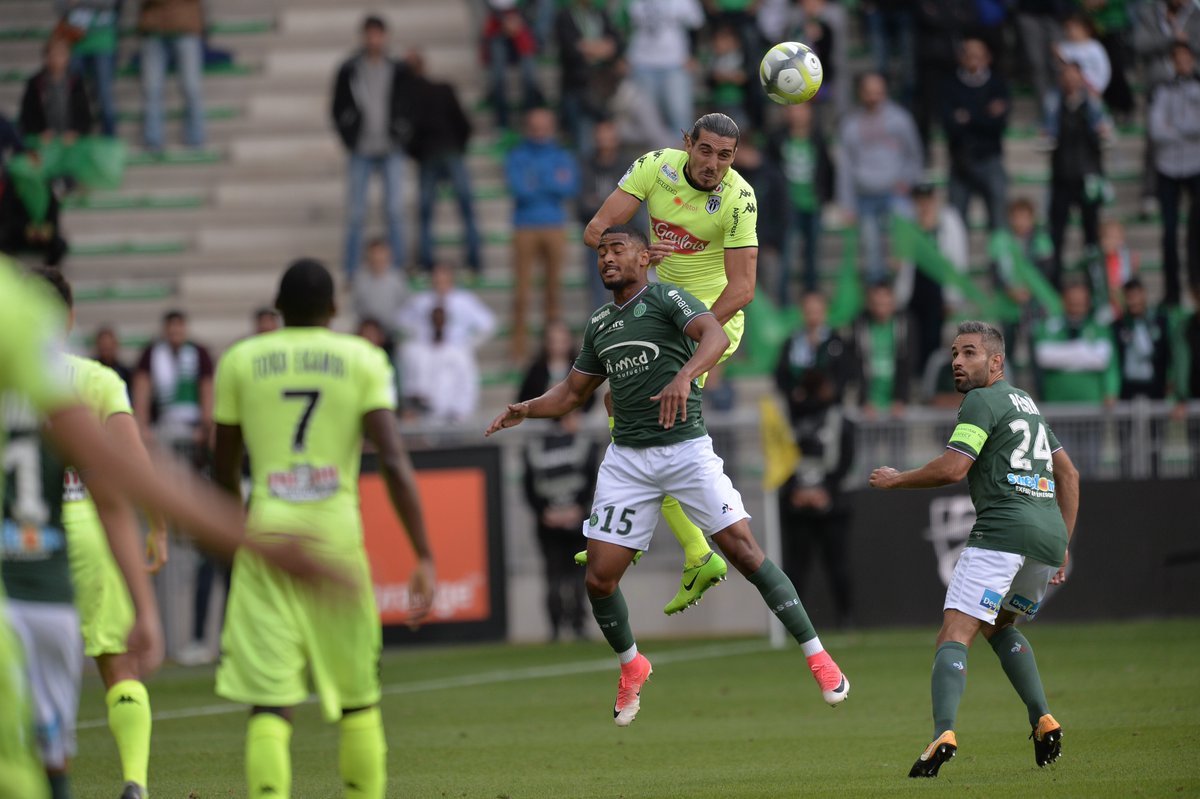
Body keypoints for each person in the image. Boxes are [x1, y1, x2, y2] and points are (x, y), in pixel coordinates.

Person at [0, 256, 345, 799]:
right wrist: (205, 546)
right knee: (112, 676)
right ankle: (134, 780)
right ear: (64, 318)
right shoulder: (80, 373)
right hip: (65, 555)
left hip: (16, 569)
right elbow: (122, 474)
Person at [485, 225, 849, 724]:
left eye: (618, 250)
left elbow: (715, 335)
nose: (607, 258)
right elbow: (572, 395)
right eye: (602, 252)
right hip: (628, 461)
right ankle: (632, 665)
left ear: (643, 258)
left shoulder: (668, 298)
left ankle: (818, 657)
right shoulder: (599, 324)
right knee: (599, 578)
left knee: (743, 550)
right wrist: (526, 408)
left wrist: (683, 376)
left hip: (684, 450)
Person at [212, 258, 436, 799]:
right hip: (336, 541)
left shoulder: (240, 360)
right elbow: (395, 461)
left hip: (267, 537)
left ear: (279, 307)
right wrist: (424, 555)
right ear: (335, 309)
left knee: (269, 703)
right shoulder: (361, 357)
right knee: (359, 699)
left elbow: (220, 468)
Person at [869, 321, 1078, 778]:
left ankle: (942, 733)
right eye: (954, 354)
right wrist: (1062, 543)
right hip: (1045, 539)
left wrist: (896, 479)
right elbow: (1069, 475)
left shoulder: (981, 401)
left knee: (954, 635)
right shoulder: (1027, 404)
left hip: (1003, 532)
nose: (957, 363)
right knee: (999, 625)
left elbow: (953, 468)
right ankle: (1042, 717)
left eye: (969, 353)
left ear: (995, 362)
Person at [582, 112, 759, 614]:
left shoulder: (740, 198)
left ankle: (690, 547)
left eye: (725, 156)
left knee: (647, 415)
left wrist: (696, 324)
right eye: (705, 152)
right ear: (687, 145)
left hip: (711, 318)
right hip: (661, 311)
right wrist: (637, 253)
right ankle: (647, 538)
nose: (713, 165)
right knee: (621, 405)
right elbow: (596, 231)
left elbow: (743, 288)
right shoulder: (654, 168)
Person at [21, 268, 167, 799]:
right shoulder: (97, 378)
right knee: (118, 662)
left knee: (22, 674)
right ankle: (134, 782)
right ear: (70, 317)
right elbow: (135, 464)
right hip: (93, 528)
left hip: (24, 538)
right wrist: (160, 526)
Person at [331, 15, 414, 282]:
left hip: (390, 146)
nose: (374, 40)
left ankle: (398, 267)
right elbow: (338, 106)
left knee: (394, 210)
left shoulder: (398, 69)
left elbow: (409, 104)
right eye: (370, 34)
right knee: (356, 212)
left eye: (378, 34)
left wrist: (401, 132)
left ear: (385, 36)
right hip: (362, 147)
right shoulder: (350, 69)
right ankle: (352, 269)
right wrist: (349, 135)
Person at [778, 367, 856, 630]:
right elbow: (780, 461)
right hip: (797, 505)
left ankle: (846, 620)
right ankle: (791, 624)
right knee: (795, 568)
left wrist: (826, 492)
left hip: (831, 505)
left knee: (838, 565)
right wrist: (794, 492)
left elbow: (846, 462)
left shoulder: (840, 421)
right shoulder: (788, 421)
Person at [505, 107, 579, 362]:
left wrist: (536, 180)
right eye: (535, 126)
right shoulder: (518, 155)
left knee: (553, 290)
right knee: (522, 291)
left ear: (552, 127)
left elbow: (568, 186)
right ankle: (518, 349)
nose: (539, 132)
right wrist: (550, 181)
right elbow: (519, 189)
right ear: (528, 128)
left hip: (555, 226)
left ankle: (551, 349)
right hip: (524, 226)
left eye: (544, 126)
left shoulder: (561, 154)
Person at [837, 72, 923, 283]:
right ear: (860, 94)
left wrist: (908, 180)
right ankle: (877, 298)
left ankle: (903, 293)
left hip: (895, 194)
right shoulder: (850, 125)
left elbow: (915, 154)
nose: (873, 96)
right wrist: (846, 204)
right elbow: (845, 167)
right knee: (871, 252)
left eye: (878, 91)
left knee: (905, 246)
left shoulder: (901, 119)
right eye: (869, 92)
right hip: (864, 198)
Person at [522, 407, 598, 641]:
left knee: (554, 576)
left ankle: (556, 628)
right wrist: (578, 509)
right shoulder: (585, 443)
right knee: (575, 576)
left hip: (550, 520)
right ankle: (575, 625)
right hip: (573, 519)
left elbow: (528, 486)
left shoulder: (534, 446)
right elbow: (593, 479)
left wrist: (544, 512)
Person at [406, 49, 483, 275]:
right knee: (465, 208)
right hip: (449, 152)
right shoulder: (442, 89)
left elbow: (407, 135)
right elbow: (464, 124)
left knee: (426, 213)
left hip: (433, 154)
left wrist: (419, 153)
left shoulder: (410, 96)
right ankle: (474, 260)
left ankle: (427, 261)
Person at [1044, 60, 1111, 291]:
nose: (1070, 79)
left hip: (1087, 179)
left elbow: (1105, 134)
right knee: (1056, 237)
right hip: (1062, 178)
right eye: (1066, 75)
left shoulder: (1092, 104)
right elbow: (1047, 134)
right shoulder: (1054, 103)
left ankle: (1096, 289)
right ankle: (1054, 288)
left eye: (1074, 75)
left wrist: (1102, 132)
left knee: (1091, 239)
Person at [1148, 42, 1200, 307]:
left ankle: (1195, 286)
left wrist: (1175, 126)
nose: (1182, 63)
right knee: (1168, 232)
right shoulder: (1163, 89)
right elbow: (1156, 130)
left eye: (1185, 58)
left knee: (1196, 232)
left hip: (1195, 165)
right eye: (1176, 58)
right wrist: (1186, 129)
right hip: (1168, 166)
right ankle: (1172, 292)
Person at [942, 37, 1010, 231]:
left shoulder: (998, 83)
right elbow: (950, 123)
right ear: (961, 58)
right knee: (956, 222)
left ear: (988, 58)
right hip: (960, 160)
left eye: (978, 55)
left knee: (998, 220)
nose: (974, 59)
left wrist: (968, 116)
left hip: (991, 158)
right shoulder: (950, 84)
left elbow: (998, 123)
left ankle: (999, 261)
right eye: (969, 54)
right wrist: (984, 115)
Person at [774, 102, 833, 297]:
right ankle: (783, 302)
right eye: (792, 110)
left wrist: (826, 197)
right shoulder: (777, 139)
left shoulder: (818, 139)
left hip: (813, 204)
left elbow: (827, 170)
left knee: (812, 257)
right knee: (786, 258)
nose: (796, 115)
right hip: (786, 207)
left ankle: (812, 300)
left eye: (801, 110)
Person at [624, 0, 705, 137]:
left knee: (680, 114)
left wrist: (693, 55)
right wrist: (624, 56)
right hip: (641, 63)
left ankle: (682, 157)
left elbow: (696, 26)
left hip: (675, 63)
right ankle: (654, 157)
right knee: (647, 119)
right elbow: (623, 25)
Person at [554, 0, 622, 154]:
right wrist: (602, 49)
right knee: (584, 142)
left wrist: (590, 48)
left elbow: (616, 43)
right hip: (577, 89)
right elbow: (570, 48)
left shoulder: (600, 13)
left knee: (608, 137)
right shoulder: (565, 15)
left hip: (603, 87)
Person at [137, 0, 206, 152]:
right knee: (151, 89)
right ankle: (152, 140)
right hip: (153, 29)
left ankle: (196, 138)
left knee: (191, 87)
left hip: (185, 27)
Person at [775, 290, 853, 416]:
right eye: (809, 312)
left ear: (825, 311)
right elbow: (781, 374)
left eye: (817, 311)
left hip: (829, 410)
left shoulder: (836, 342)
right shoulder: (792, 342)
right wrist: (793, 391)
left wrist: (832, 390)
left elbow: (845, 372)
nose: (813, 317)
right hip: (799, 411)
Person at [850, 280, 918, 419]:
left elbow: (908, 362)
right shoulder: (860, 326)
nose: (881, 308)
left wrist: (901, 398)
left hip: (896, 402)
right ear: (870, 304)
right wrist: (864, 400)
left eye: (885, 303)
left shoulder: (904, 326)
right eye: (877, 303)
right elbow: (856, 363)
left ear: (892, 303)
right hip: (869, 403)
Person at [57, 0, 120, 137]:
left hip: (103, 42)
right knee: (72, 93)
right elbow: (61, 5)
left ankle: (110, 139)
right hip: (76, 42)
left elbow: (110, 3)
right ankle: (74, 134)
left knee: (104, 94)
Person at [19, 36, 93, 142]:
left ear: (67, 58)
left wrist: (75, 131)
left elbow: (84, 115)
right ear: (46, 57)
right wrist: (40, 132)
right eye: (52, 54)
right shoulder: (35, 83)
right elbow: (27, 115)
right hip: (44, 141)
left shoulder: (75, 82)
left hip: (70, 141)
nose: (56, 59)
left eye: (60, 54)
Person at [351, 238, 407, 336]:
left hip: (392, 331)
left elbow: (404, 307)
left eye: (381, 254)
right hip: (368, 332)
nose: (377, 258)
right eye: (374, 255)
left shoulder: (398, 279)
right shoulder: (360, 279)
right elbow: (356, 308)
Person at [91, 325, 133, 391]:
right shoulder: (90, 372)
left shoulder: (125, 373)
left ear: (115, 345)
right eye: (104, 347)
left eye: (109, 347)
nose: (107, 351)